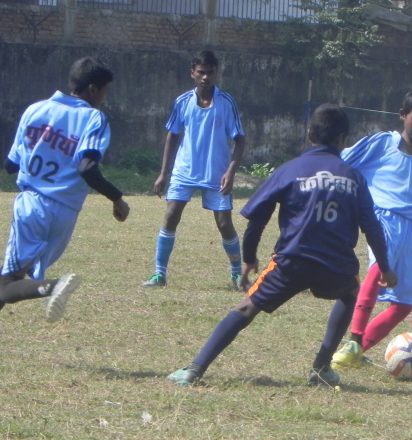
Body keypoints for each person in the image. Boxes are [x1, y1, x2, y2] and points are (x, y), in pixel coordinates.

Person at [166, 103, 397, 387]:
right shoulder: (353, 176)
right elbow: (371, 226)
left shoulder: (290, 170)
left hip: (292, 261)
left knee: (246, 308)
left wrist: (249, 258)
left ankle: (194, 370)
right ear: (342, 140)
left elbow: (257, 218)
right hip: (335, 265)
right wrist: (384, 267)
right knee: (350, 292)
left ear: (309, 133)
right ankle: (321, 367)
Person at [331, 89, 412, 370]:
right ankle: (354, 338)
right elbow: (342, 160)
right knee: (378, 270)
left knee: (404, 303)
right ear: (403, 116)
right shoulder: (382, 144)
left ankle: (357, 350)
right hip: (384, 219)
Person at [1, 57, 130, 321]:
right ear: (93, 89)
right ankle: (50, 286)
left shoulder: (35, 110)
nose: (104, 98)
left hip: (32, 205)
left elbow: (11, 165)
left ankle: (53, 286)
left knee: (6, 283)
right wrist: (117, 199)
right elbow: (86, 167)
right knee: (10, 281)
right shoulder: (94, 118)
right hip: (65, 213)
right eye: (105, 91)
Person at [143, 50, 246, 289]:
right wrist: (163, 173)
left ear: (216, 73)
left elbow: (240, 139)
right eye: (201, 72)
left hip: (215, 172)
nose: (205, 77)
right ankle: (159, 274)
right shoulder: (182, 102)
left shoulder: (226, 102)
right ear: (192, 73)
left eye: (210, 72)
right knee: (171, 215)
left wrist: (230, 171)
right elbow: (173, 135)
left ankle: (236, 275)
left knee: (223, 223)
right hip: (185, 170)